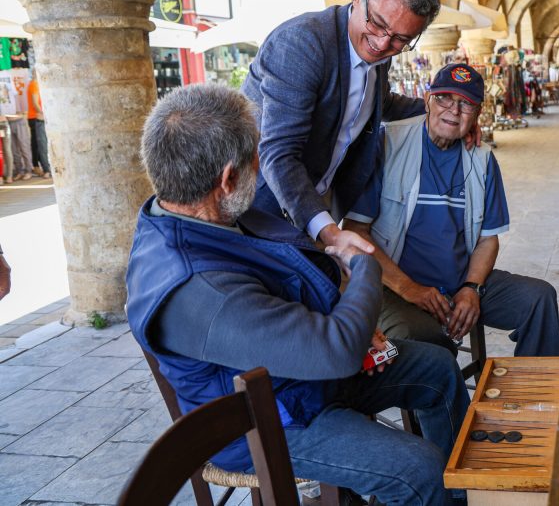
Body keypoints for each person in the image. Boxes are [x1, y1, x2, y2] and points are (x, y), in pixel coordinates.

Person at [125, 84, 469, 505]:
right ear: (228, 178)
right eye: (258, 155)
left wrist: (354, 323)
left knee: (437, 368)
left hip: (301, 377)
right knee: (418, 469)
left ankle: (462, 493)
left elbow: (300, 280)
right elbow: (336, 350)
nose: (262, 165)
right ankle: (436, 492)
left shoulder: (212, 213)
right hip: (268, 420)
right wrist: (365, 266)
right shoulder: (199, 287)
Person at [344, 64, 559, 357]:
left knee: (539, 298)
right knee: (421, 341)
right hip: (396, 289)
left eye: (466, 104)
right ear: (427, 100)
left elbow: (488, 238)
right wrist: (409, 288)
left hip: (458, 284)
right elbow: (356, 233)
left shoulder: (482, 159)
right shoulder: (387, 144)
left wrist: (471, 287)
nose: (453, 110)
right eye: (444, 98)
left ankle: (537, 396)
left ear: (477, 114)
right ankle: (448, 400)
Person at [242, 0, 440, 255]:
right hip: (265, 206)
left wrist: (441, 112)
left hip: (320, 198)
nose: (383, 43)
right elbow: (279, 153)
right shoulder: (301, 43)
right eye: (377, 24)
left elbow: (378, 103)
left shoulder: (378, 50)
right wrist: (330, 231)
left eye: (401, 39)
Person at [27, 75, 51, 178]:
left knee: (40, 145)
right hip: (36, 117)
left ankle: (43, 167)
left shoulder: (36, 84)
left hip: (38, 117)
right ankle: (43, 168)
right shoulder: (35, 84)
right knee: (39, 145)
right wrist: (44, 114)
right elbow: (35, 103)